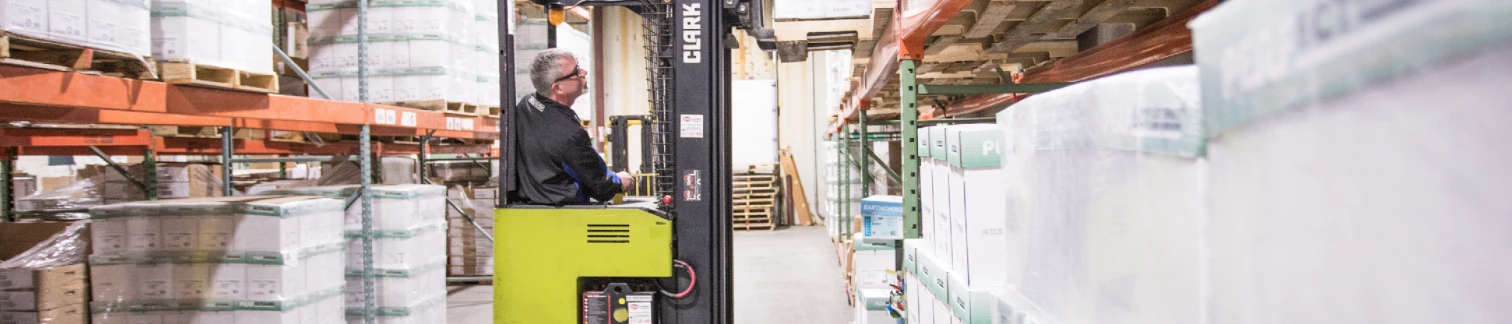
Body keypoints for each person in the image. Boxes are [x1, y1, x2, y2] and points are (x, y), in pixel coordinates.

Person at [508, 49, 634, 205]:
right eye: (576, 72)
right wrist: (619, 181)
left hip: (532, 202)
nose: (583, 72)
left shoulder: (527, 102)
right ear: (557, 88)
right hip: (562, 212)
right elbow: (601, 187)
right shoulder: (569, 134)